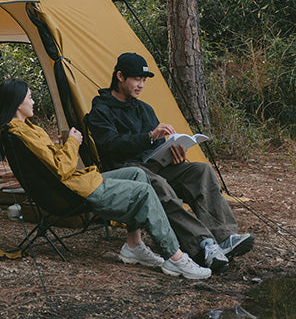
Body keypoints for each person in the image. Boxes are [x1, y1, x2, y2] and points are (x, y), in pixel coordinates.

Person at [0, 78, 212, 280]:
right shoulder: (21, 133)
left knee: (138, 173)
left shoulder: (23, 129)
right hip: (72, 191)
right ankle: (175, 256)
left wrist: (65, 145)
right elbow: (62, 168)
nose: (33, 102)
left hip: (74, 184)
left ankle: (133, 245)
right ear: (17, 103)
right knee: (143, 192)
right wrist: (73, 141)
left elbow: (54, 165)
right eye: (30, 98)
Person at [85, 52, 254, 272]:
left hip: (153, 166)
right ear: (120, 76)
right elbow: (110, 145)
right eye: (137, 79)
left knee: (200, 171)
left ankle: (224, 237)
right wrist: (149, 136)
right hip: (125, 171)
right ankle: (201, 244)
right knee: (158, 185)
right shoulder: (100, 110)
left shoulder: (143, 109)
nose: (141, 85)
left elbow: (156, 147)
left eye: (144, 80)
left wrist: (173, 153)